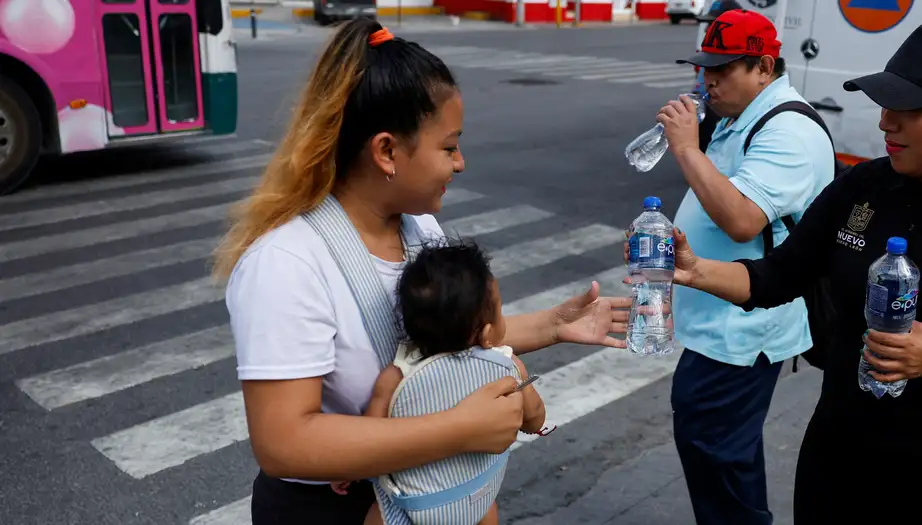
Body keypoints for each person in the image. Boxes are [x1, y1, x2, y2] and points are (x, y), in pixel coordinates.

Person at [661, 23, 922, 525]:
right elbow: (776, 277)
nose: (887, 122)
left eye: (910, 109)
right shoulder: (863, 188)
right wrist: (693, 270)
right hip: (836, 455)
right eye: (885, 103)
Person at [213, 19, 630, 525]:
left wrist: (554, 325)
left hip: (429, 489)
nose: (461, 163)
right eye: (449, 147)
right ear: (387, 151)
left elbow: (445, 340)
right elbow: (284, 443)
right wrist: (458, 430)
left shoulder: (419, 230)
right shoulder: (286, 264)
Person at [651, 9, 836, 525]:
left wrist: (686, 147)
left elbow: (739, 218)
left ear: (763, 66)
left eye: (723, 68)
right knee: (714, 447)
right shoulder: (739, 114)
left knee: (717, 451)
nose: (707, 79)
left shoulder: (790, 129)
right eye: (704, 66)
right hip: (719, 315)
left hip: (745, 323)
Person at [351, 239, 547, 525]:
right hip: (474, 497)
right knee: (487, 511)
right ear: (488, 332)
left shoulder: (396, 376)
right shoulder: (508, 366)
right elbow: (534, 421)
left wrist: (348, 471)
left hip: (415, 503)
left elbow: (367, 445)